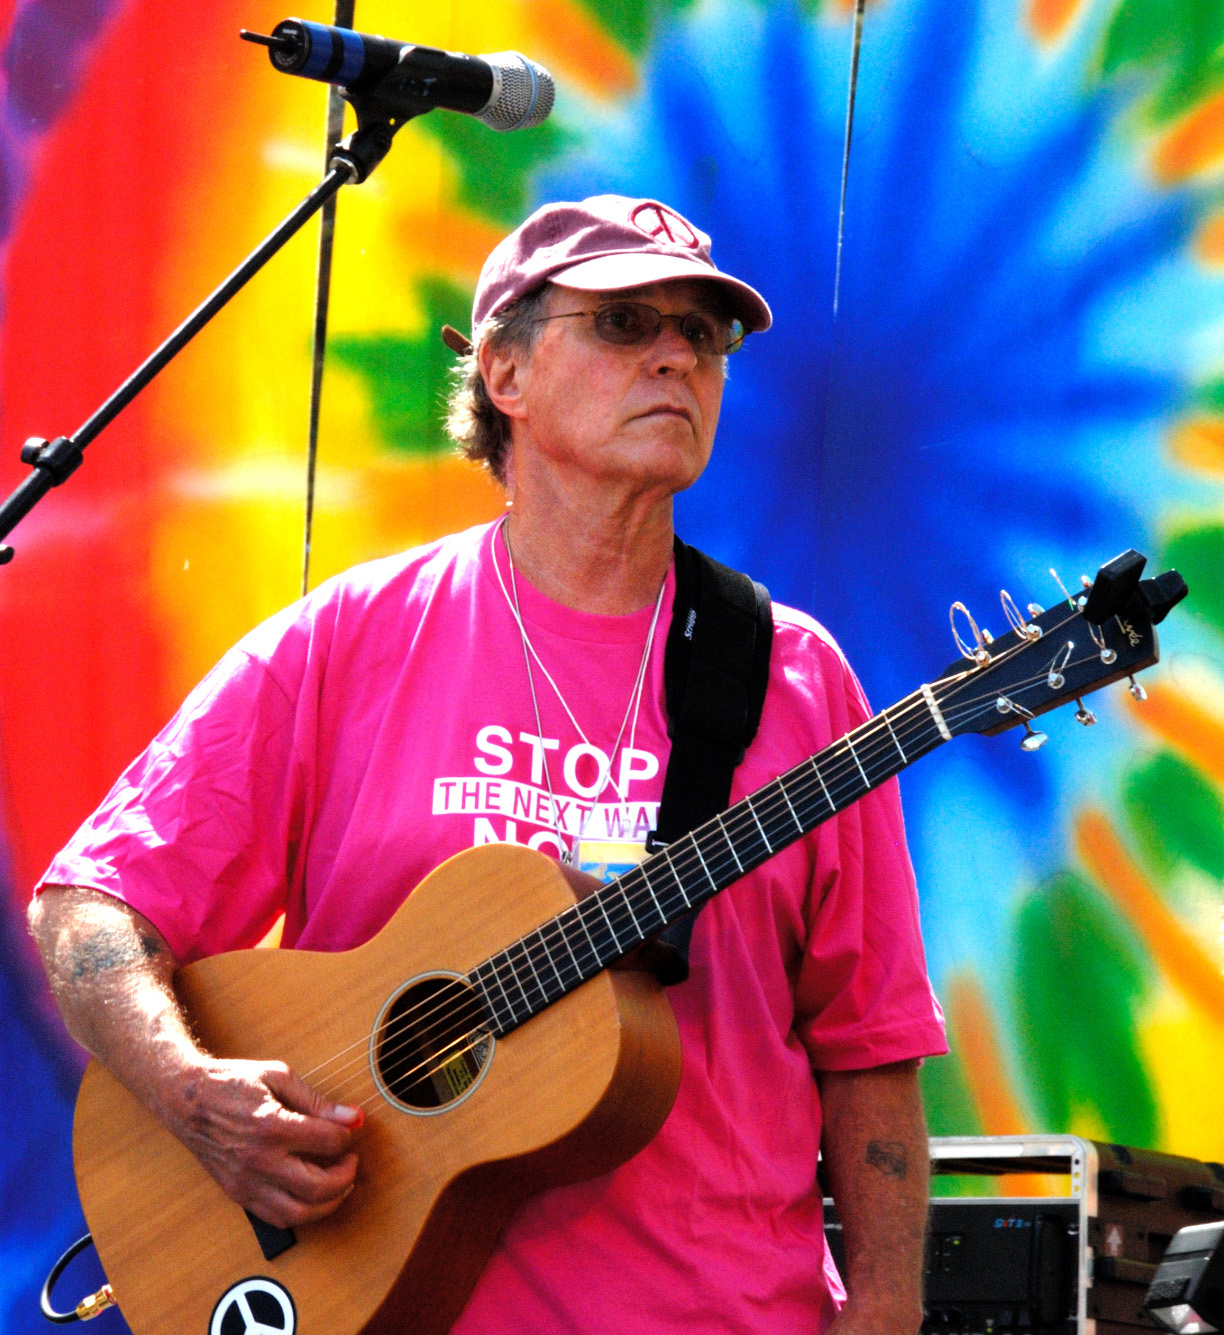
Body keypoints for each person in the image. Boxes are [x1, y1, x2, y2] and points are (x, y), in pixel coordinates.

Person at [29, 194, 947, 1333]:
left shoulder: (792, 676)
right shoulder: (352, 638)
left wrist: (888, 1307)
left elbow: (872, 1046)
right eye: (624, 324)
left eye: (704, 335)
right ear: (505, 372)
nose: (677, 357)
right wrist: (189, 1090)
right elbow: (91, 908)